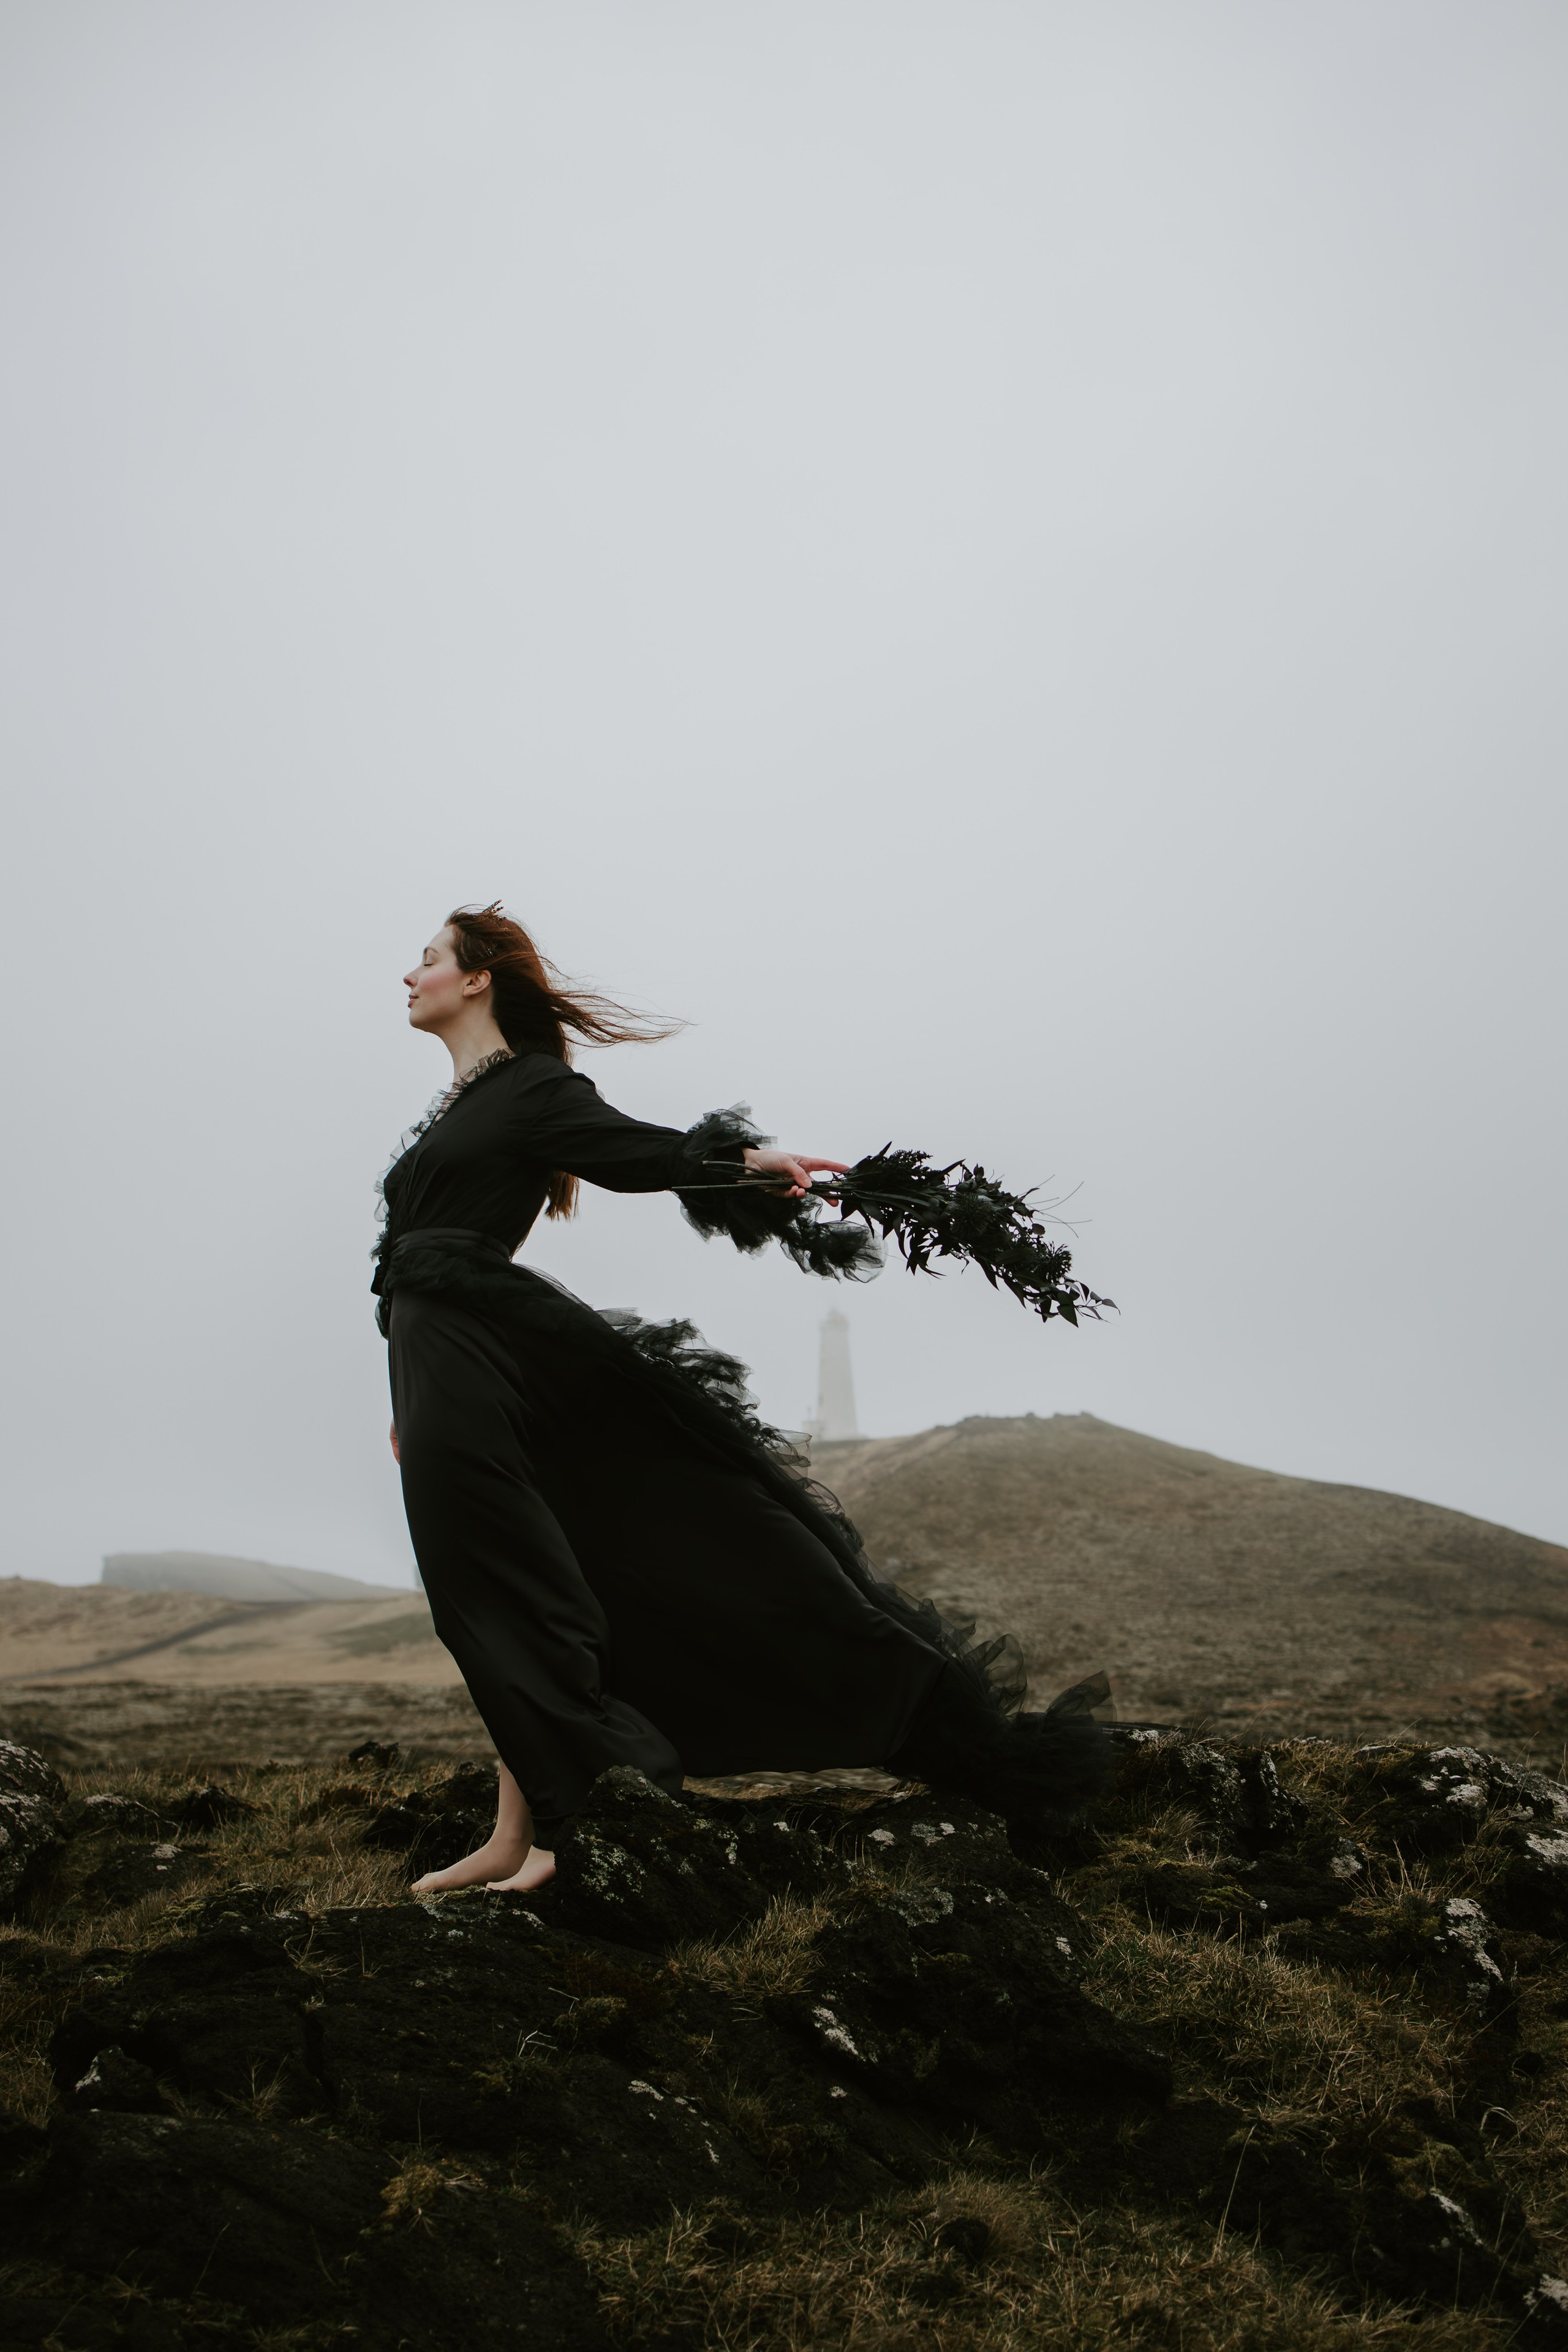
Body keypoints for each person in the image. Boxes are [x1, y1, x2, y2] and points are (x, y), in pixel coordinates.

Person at [376, 903, 1107, 1894]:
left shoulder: (536, 1091)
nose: (406, 976)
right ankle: (516, 1831)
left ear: (477, 980)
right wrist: (405, 1394)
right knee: (505, 1575)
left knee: (504, 1583)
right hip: (442, 1357)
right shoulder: (462, 1108)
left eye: (426, 960)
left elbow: (637, 1151)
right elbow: (412, 1268)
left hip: (481, 1351)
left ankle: (576, 1823)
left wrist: (742, 1163)